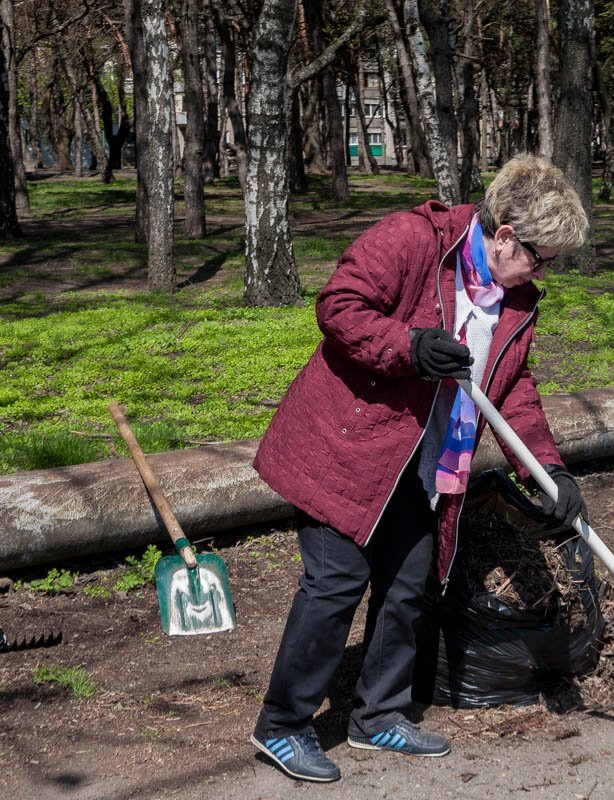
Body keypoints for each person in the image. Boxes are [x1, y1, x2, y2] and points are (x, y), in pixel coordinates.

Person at [249, 154, 591, 782]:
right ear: (506, 236)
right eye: (540, 258)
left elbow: (513, 388)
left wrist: (548, 468)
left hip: (422, 459)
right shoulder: (414, 240)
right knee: (335, 584)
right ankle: (283, 726)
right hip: (346, 444)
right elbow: (339, 306)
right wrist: (407, 345)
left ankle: (378, 715)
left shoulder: (515, 300)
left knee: (408, 584)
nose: (542, 272)